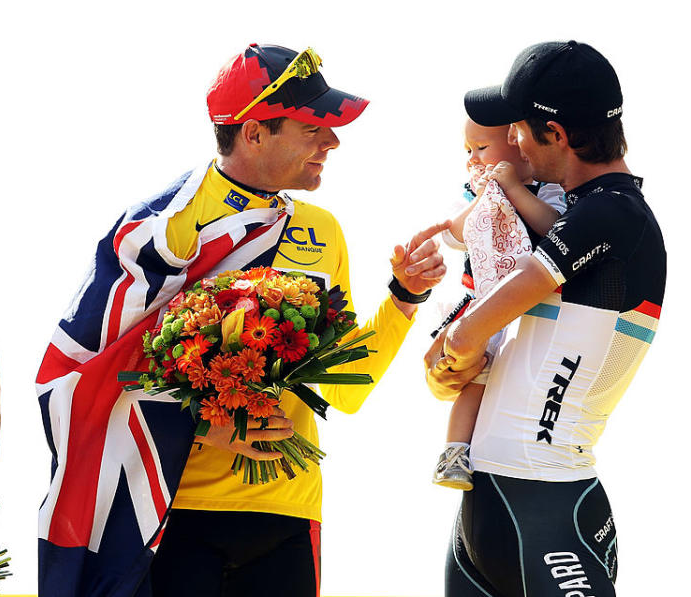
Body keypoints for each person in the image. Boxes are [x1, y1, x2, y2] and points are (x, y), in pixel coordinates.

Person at [35, 43, 448, 597]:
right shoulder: (167, 226)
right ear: (253, 132)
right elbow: (88, 375)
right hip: (177, 515)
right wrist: (205, 424)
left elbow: (343, 390)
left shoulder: (323, 229)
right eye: (312, 128)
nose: (332, 141)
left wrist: (403, 297)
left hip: (289, 512)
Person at [425, 41, 666, 596]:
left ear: (556, 135)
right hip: (493, 504)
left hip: (543, 502)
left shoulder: (612, 213)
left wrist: (455, 347)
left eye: (520, 129)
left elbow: (473, 329)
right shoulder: (568, 213)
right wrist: (445, 365)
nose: (508, 139)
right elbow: (464, 345)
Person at [431, 118, 564, 490]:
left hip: (527, 304)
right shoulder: (472, 192)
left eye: (481, 148)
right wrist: (483, 194)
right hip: (483, 303)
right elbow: (453, 234)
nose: (473, 157)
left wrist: (511, 188)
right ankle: (454, 451)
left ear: (516, 143)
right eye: (467, 150)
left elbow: (554, 226)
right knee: (478, 377)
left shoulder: (545, 189)